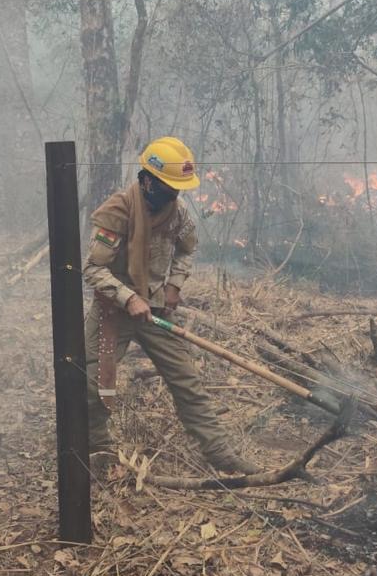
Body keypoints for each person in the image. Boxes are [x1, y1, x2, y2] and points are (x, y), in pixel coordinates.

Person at [83, 137, 259, 475]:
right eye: (168, 188)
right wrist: (128, 297)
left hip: (156, 311)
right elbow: (92, 269)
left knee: (186, 380)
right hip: (112, 312)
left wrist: (175, 284)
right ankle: (96, 447)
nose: (174, 196)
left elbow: (187, 249)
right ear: (147, 180)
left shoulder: (176, 214)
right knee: (95, 382)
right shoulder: (117, 212)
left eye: (178, 190)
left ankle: (221, 454)